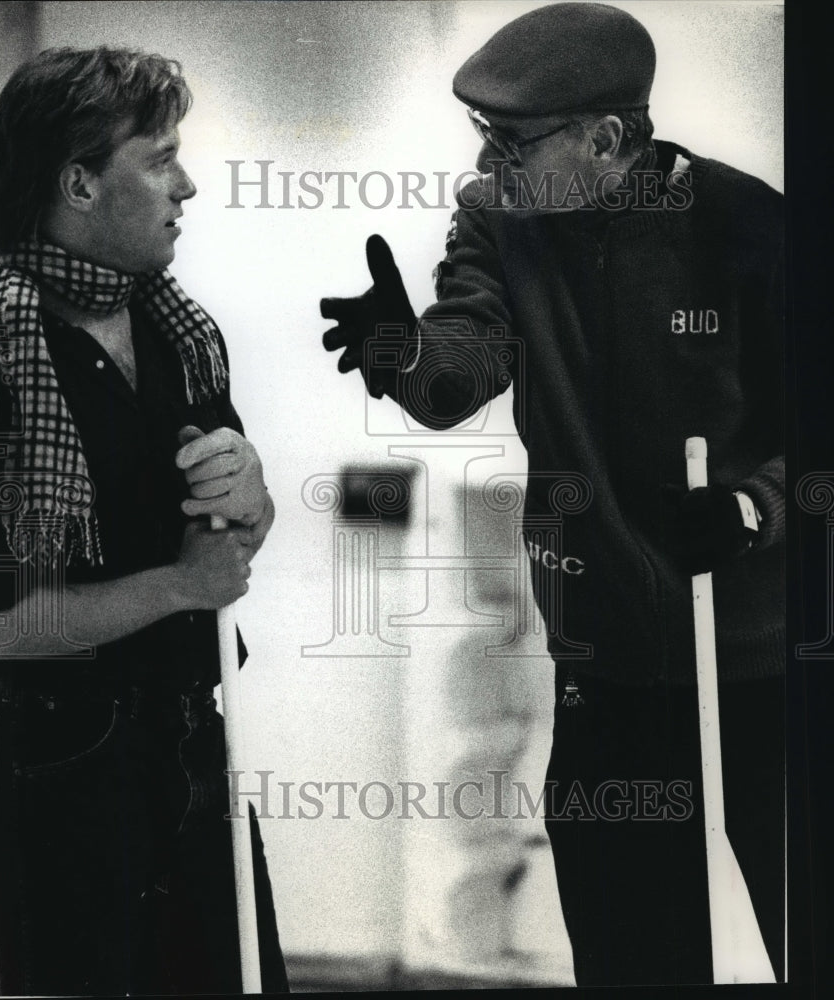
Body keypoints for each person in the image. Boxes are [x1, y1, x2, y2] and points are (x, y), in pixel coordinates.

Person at [321, 2, 784, 987]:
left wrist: (755, 508)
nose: (489, 165)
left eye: (512, 142)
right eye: (483, 139)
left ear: (608, 138)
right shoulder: (499, 219)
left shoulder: (752, 226)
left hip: (760, 660)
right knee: (629, 951)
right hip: (607, 660)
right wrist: (401, 350)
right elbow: (460, 368)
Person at [0, 47, 288, 995]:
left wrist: (251, 495)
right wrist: (179, 586)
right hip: (59, 762)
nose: (186, 185)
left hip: (191, 740)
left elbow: (231, 535)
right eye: (160, 157)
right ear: (80, 183)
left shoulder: (182, 336)